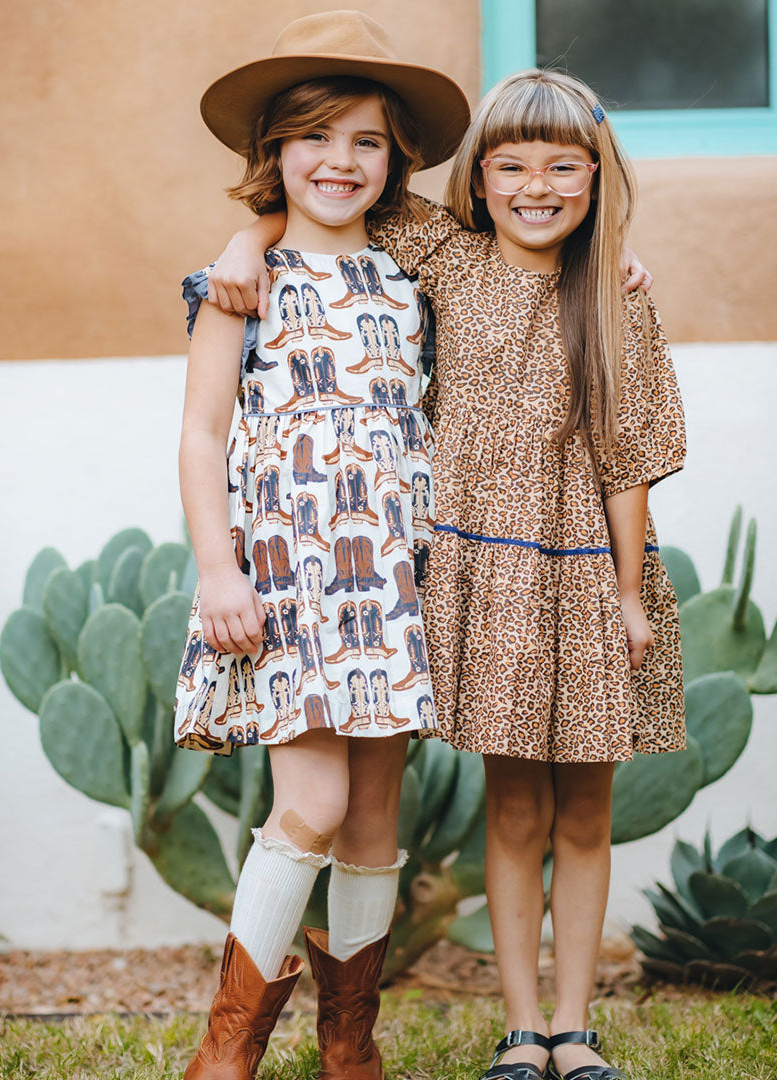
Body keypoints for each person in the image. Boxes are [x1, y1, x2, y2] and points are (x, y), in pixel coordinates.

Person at [209, 67, 685, 1080]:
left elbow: (631, 455)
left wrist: (633, 591)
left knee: (583, 812)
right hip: (474, 569)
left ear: (601, 180)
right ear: (476, 183)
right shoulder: (448, 259)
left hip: (586, 571)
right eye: (510, 166)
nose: (536, 186)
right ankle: (514, 1033)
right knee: (508, 809)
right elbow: (330, 210)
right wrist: (243, 240)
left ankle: (569, 1029)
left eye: (565, 168)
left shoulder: (617, 303)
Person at [173, 11, 472, 1080]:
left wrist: (620, 277)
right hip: (287, 575)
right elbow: (203, 432)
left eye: (367, 142)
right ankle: (229, 1043)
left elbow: (533, 273)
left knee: (373, 823)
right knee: (312, 803)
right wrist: (218, 568)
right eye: (315, 137)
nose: (339, 161)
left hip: (393, 577)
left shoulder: (416, 281)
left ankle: (350, 1040)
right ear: (275, 152)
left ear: (394, 162)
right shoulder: (241, 283)